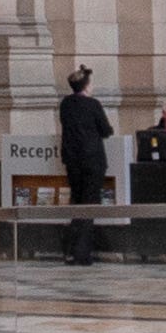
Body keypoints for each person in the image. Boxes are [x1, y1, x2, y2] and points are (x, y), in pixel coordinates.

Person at [53, 66, 113, 266]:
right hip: (92, 160)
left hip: (72, 160)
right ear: (86, 86)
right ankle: (81, 252)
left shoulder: (66, 105)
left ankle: (71, 249)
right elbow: (106, 130)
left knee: (77, 202)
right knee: (89, 205)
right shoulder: (93, 104)